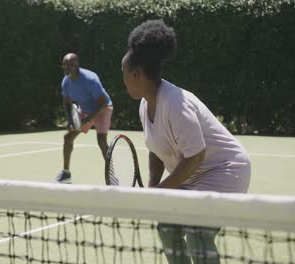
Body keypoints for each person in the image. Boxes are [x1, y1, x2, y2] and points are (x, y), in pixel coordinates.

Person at [121, 20, 251, 264]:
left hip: (226, 171)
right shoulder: (145, 104)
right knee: (167, 226)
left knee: (197, 231)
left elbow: (196, 156)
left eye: (124, 74)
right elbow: (156, 149)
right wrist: (153, 185)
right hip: (193, 177)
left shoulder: (175, 103)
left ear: (137, 74)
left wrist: (163, 190)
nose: (123, 80)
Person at [55, 53, 113, 183]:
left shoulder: (90, 79)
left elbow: (103, 102)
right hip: (85, 110)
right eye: (64, 65)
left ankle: (112, 175)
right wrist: (70, 120)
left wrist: (88, 119)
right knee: (68, 137)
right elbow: (66, 102)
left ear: (76, 66)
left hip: (103, 108)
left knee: (101, 141)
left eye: (68, 65)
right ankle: (66, 174)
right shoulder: (66, 81)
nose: (65, 68)